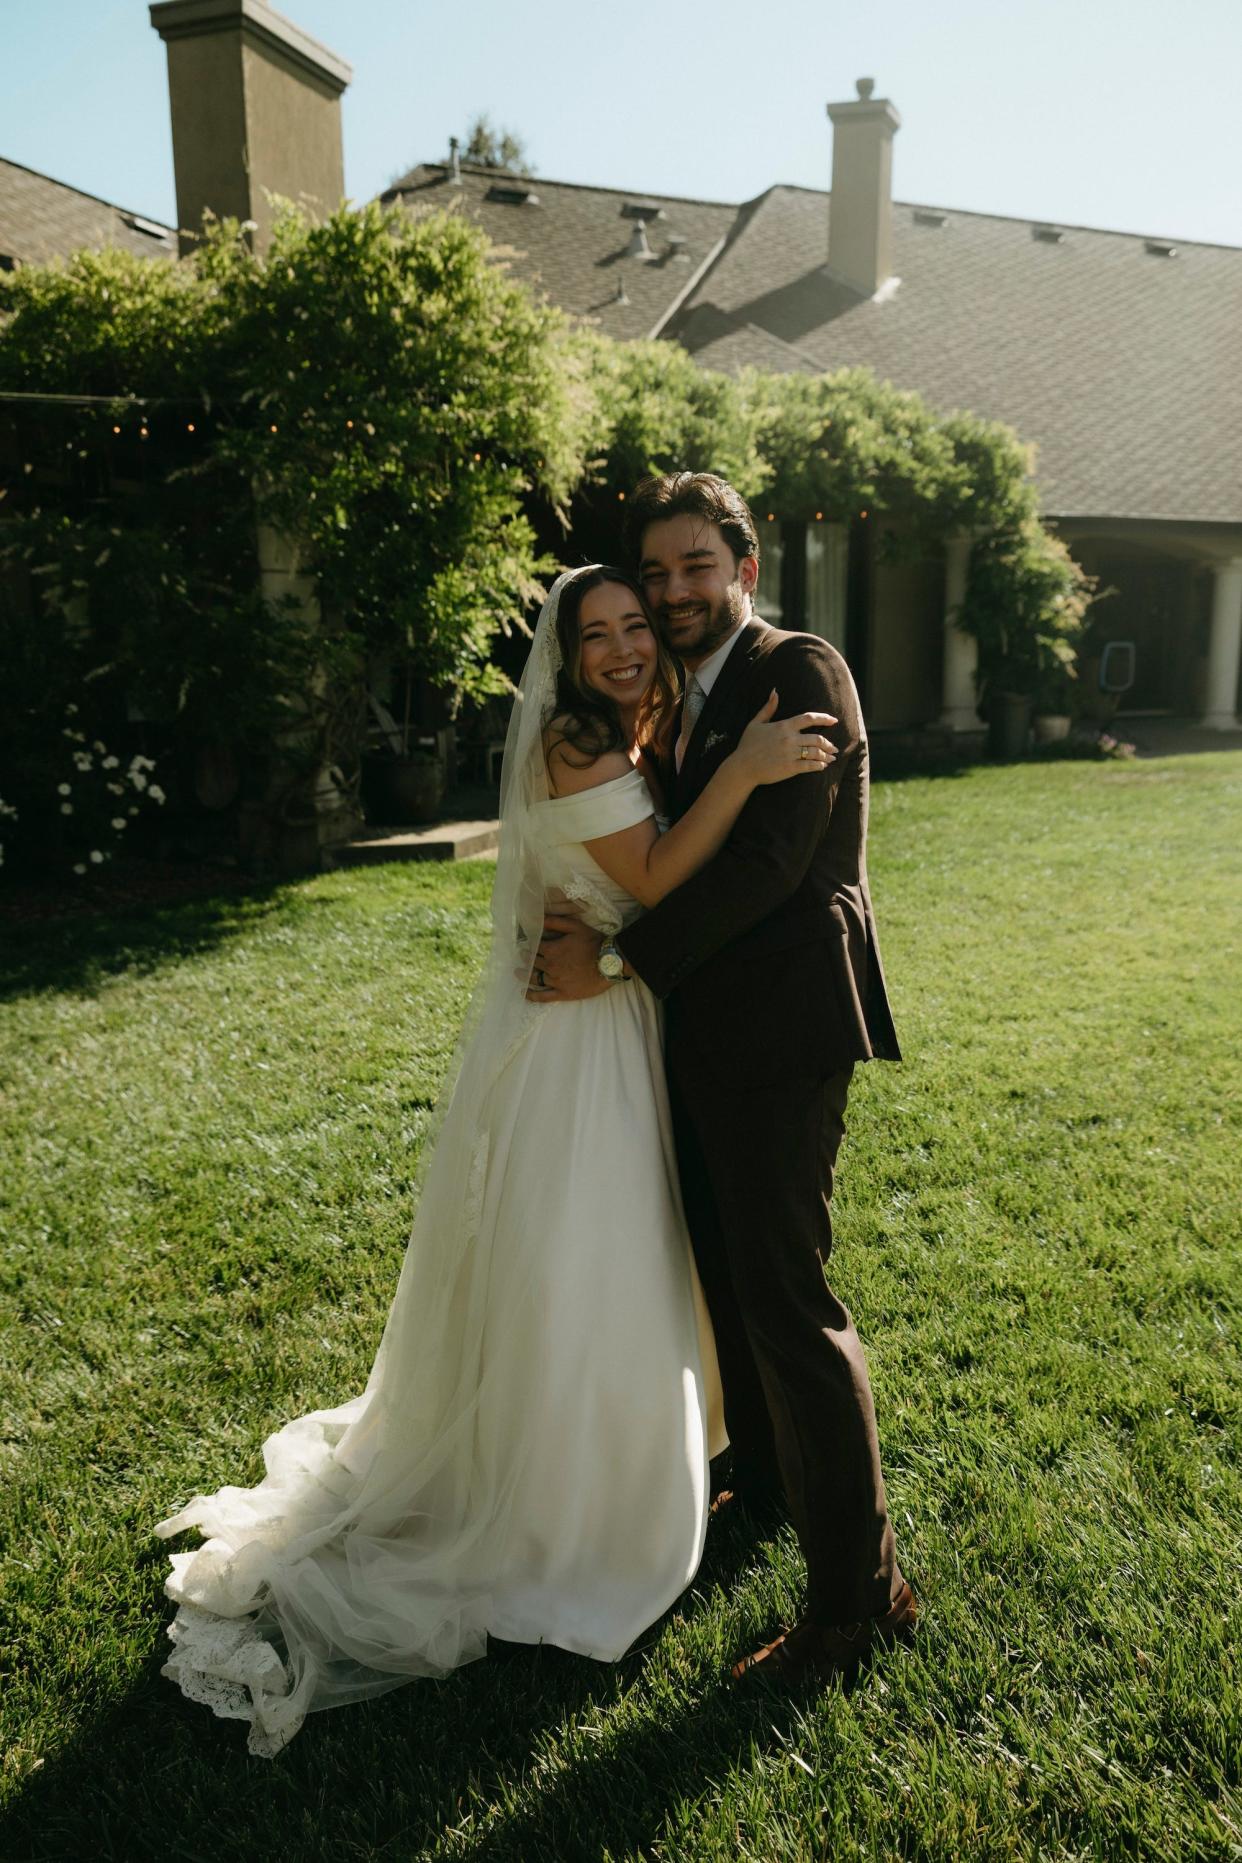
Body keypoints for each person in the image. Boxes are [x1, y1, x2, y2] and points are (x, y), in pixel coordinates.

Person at [153, 563, 837, 1755]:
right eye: (600, 633)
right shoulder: (586, 743)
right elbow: (660, 878)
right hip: (583, 1043)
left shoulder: (629, 729)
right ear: (565, 656)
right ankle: (569, 1514)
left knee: (597, 1258)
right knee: (596, 1260)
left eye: (639, 625)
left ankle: (622, 1469)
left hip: (595, 1020)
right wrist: (742, 772)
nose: (626, 645)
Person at [529, 474, 917, 1685]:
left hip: (785, 1029)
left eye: (699, 566)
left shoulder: (800, 671)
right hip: (694, 1032)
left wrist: (621, 962)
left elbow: (766, 867)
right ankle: (758, 1481)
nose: (676, 592)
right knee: (726, 1279)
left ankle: (859, 1605)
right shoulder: (674, 698)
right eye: (659, 573)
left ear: (743, 569)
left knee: (790, 1302)